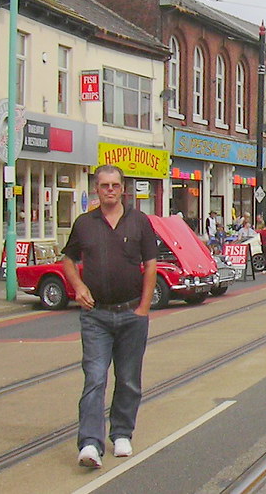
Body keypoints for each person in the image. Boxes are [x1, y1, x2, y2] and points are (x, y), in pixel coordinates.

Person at [61, 165, 158, 469]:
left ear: (123, 188)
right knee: (95, 378)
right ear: (97, 189)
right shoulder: (84, 224)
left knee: (128, 380)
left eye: (115, 185)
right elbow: (67, 259)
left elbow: (151, 265)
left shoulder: (139, 222)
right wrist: (77, 286)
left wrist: (143, 308)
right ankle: (90, 443)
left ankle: (121, 433)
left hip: (131, 314)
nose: (110, 190)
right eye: (104, 186)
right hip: (96, 316)